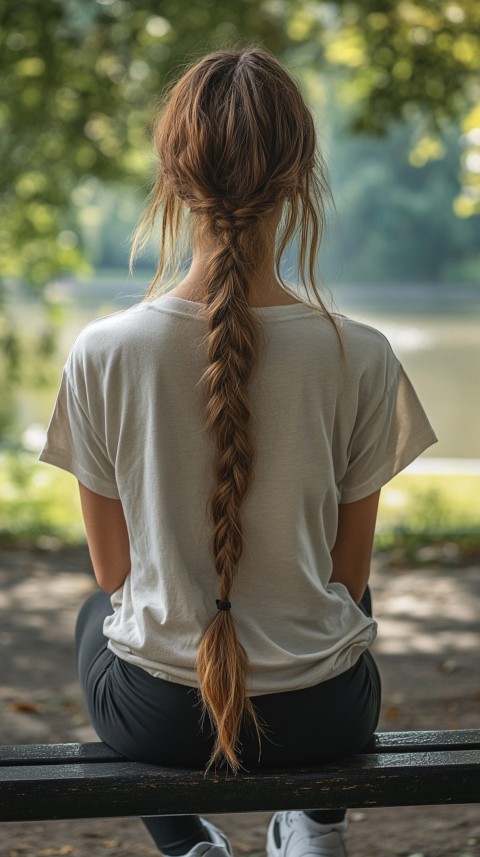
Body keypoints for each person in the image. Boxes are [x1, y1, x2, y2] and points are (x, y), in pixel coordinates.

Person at [40, 47, 437, 857]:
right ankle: (319, 825)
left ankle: (190, 846)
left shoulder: (103, 351)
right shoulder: (361, 354)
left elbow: (115, 577)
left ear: (173, 178)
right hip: (324, 716)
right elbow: (348, 579)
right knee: (348, 612)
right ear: (299, 179)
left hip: (162, 720)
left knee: (94, 617)